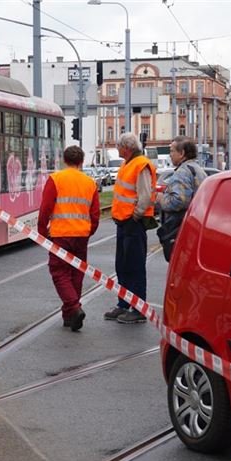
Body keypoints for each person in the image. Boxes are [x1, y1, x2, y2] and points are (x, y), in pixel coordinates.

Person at [38, 146, 100, 332]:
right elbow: (95, 214)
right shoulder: (90, 183)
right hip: (81, 235)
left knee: (59, 273)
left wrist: (41, 232)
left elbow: (45, 209)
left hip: (60, 235)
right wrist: (89, 231)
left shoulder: (56, 179)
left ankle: (74, 308)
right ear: (81, 162)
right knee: (76, 273)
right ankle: (69, 316)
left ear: (64, 160)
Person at [104, 133, 157, 324]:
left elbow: (145, 195)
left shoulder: (140, 164)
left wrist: (136, 215)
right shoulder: (128, 163)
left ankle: (138, 308)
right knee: (123, 265)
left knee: (134, 267)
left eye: (118, 146)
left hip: (132, 223)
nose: (117, 150)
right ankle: (124, 303)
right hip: (124, 222)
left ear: (126, 147)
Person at [156, 137, 207, 261]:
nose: (170, 154)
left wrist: (161, 199)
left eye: (172, 151)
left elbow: (179, 201)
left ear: (182, 153)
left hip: (181, 229)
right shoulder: (197, 169)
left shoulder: (182, 172)